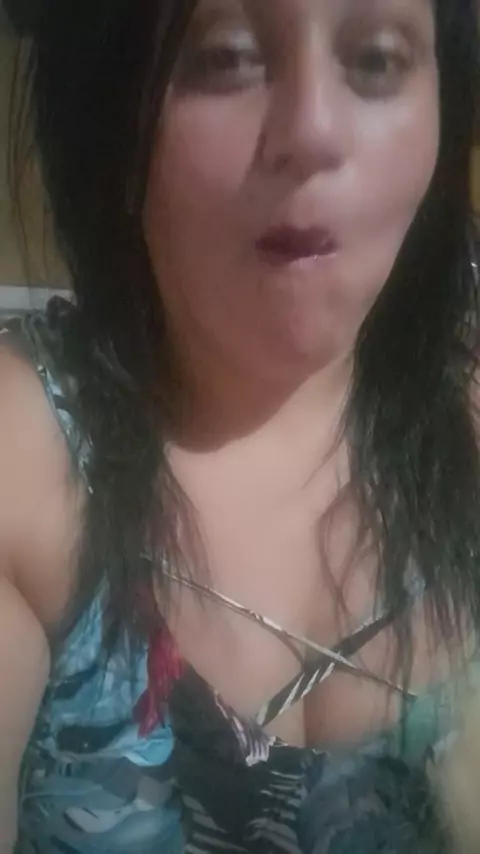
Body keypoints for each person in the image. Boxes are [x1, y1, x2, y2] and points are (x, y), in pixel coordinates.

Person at [1, 0, 479, 851]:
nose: (313, 130)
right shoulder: (27, 449)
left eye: (376, 59)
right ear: (114, 112)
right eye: (224, 57)